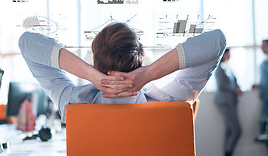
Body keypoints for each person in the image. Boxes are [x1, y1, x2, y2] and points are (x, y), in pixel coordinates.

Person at [19, 22, 226, 124]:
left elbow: (27, 42)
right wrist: (150, 73)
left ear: (95, 61)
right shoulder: (172, 103)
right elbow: (217, 41)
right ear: (140, 60)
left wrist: (92, 75)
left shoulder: (72, 104)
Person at [214, 48, 243, 156]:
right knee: (236, 130)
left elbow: (233, 82)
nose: (229, 55)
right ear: (223, 54)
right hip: (225, 102)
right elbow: (222, 85)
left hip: (230, 102)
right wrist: (235, 89)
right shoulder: (219, 68)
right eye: (228, 53)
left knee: (230, 130)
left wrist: (237, 86)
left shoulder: (226, 67)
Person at [259, 39, 268, 134]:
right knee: (263, 126)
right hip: (266, 99)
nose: (261, 48)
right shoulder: (263, 63)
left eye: (264, 45)